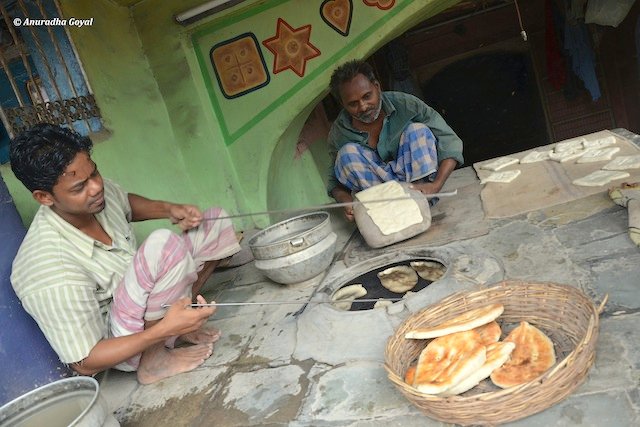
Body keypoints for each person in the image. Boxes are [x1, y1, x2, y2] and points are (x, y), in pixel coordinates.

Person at [9, 123, 243, 384]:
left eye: (95, 173)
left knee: (213, 222)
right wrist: (162, 330)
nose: (96, 187)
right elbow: (85, 362)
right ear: (44, 197)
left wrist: (169, 209)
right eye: (79, 187)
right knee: (162, 247)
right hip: (123, 343)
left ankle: (177, 328)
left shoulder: (93, 193)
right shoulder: (47, 267)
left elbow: (125, 203)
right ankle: (154, 360)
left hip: (146, 308)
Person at [327, 59, 464, 221]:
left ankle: (422, 203)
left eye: (367, 96)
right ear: (343, 104)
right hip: (380, 202)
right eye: (353, 104)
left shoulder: (405, 104)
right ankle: (388, 211)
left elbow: (449, 142)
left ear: (377, 87)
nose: (363, 106)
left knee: (417, 130)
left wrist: (436, 184)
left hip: (417, 189)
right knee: (346, 154)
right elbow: (334, 181)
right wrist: (346, 202)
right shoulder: (339, 132)